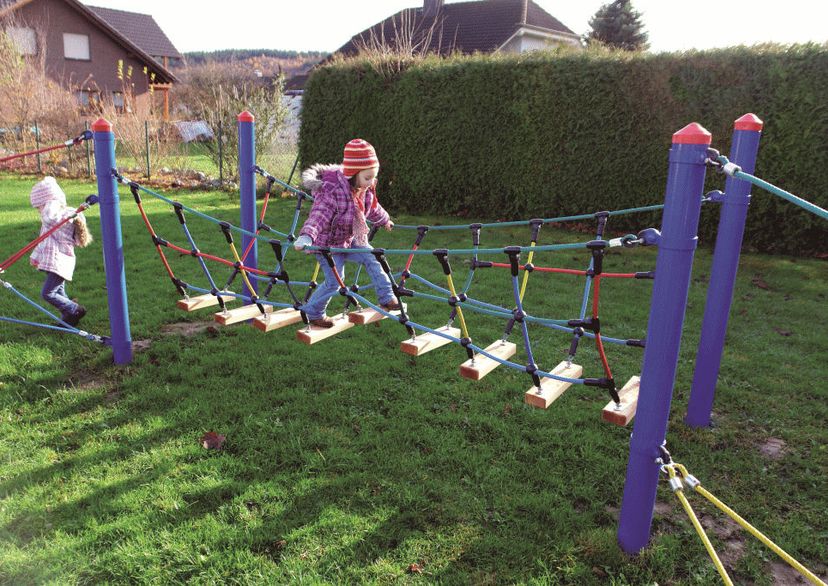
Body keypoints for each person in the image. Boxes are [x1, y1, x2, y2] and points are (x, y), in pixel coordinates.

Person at [294, 139, 400, 328]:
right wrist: (307, 236)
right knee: (335, 280)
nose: (371, 182)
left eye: (374, 177)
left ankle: (386, 297)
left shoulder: (364, 189)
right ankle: (313, 312)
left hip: (350, 238)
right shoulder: (332, 191)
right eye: (367, 177)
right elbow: (319, 215)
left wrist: (385, 219)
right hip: (328, 245)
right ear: (353, 174)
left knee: (372, 257)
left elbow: (373, 207)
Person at [29, 176, 92, 327]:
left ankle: (74, 309)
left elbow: (50, 218)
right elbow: (44, 240)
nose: (39, 211)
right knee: (58, 292)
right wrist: (35, 256)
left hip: (60, 262)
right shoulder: (55, 220)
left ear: (48, 203)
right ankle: (69, 318)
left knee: (48, 293)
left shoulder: (61, 218)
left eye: (40, 207)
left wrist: (52, 202)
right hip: (54, 262)